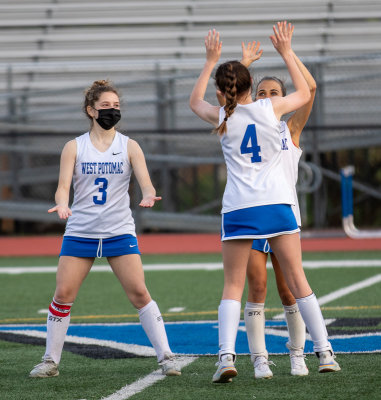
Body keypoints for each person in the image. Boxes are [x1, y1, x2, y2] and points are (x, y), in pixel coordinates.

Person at [189, 21, 340, 384]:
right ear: (250, 87)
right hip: (276, 204)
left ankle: (226, 355)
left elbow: (195, 102)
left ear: (224, 89)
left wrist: (212, 61)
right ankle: (324, 352)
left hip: (240, 208)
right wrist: (286, 51)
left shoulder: (224, 116)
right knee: (298, 281)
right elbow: (306, 90)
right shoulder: (272, 110)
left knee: (232, 287)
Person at [29, 80, 181, 378]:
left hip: (118, 231)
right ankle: (50, 361)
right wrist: (62, 204)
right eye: (105, 106)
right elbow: (62, 188)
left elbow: (146, 183)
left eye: (116, 106)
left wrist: (148, 195)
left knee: (139, 292)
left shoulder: (130, 146)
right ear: (91, 110)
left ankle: (167, 357)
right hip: (80, 231)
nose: (112, 111)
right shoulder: (74, 146)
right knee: (63, 294)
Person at [238, 39, 317, 379]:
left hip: (285, 217)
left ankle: (297, 354)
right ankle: (259, 358)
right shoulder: (243, 127)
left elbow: (310, 88)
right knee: (256, 287)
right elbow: (229, 100)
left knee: (288, 290)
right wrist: (243, 64)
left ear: (283, 97)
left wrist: (288, 51)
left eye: (274, 93)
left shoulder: (290, 128)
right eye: (261, 93)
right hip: (253, 216)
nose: (267, 97)